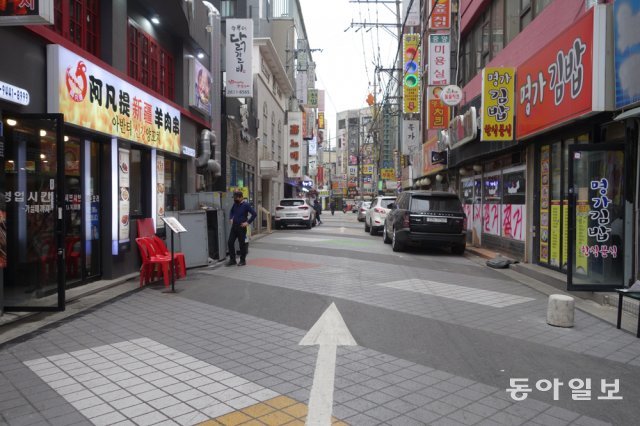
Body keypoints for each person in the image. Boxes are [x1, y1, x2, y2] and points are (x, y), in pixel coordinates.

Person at [226, 190, 256, 266]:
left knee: (241, 244)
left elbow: (254, 214)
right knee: (230, 242)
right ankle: (232, 260)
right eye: (234, 198)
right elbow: (231, 211)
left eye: (237, 198)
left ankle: (243, 260)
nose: (235, 199)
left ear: (241, 197)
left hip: (241, 227)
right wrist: (231, 218)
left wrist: (247, 223)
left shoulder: (246, 205)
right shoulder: (235, 204)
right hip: (234, 227)